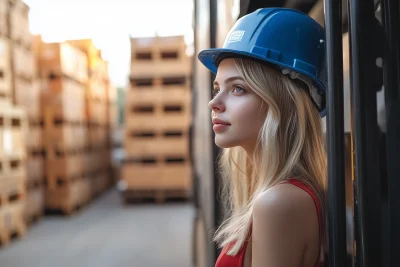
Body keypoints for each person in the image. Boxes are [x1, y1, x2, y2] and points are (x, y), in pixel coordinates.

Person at [197, 8, 328, 267]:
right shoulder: (276, 194)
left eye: (237, 88)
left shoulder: (279, 202)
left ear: (282, 102)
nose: (214, 102)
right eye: (217, 88)